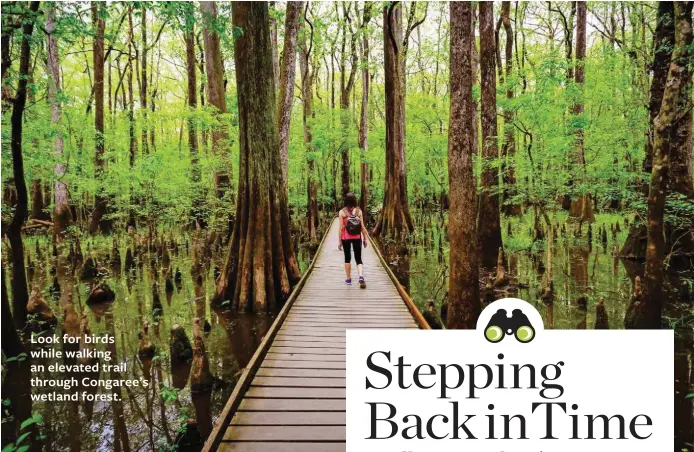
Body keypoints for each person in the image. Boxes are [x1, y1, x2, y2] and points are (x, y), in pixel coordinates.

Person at [338, 193, 367, 288]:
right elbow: (362, 227)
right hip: (357, 237)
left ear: (345, 200)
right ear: (355, 200)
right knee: (358, 258)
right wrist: (365, 239)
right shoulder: (359, 211)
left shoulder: (342, 212)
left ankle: (348, 279)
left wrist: (339, 241)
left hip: (346, 238)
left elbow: (341, 228)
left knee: (347, 258)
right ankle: (361, 276)